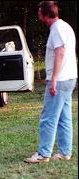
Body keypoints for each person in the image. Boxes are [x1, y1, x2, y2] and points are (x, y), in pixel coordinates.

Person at [24, 1, 77, 163]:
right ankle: (64, 152)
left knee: (48, 117)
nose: (39, 17)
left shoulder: (57, 29)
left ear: (47, 14)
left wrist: (53, 80)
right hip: (69, 78)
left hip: (60, 80)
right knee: (64, 117)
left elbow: (60, 53)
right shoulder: (66, 27)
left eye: (40, 14)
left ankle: (43, 154)